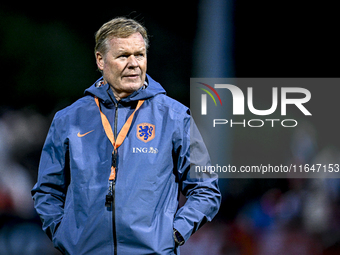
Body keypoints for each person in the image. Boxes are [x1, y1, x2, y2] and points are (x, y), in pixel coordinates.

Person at [32, 17, 221, 255]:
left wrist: (173, 233)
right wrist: (63, 235)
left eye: (139, 55)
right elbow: (47, 191)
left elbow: (205, 189)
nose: (134, 64)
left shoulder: (174, 116)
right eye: (123, 56)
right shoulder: (69, 119)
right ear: (101, 60)